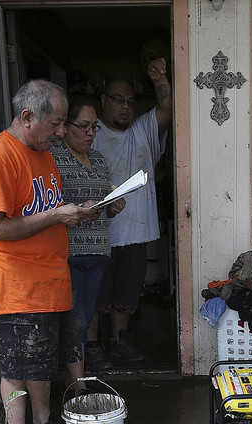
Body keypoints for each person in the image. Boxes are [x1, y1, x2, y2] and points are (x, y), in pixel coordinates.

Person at [0, 79, 96, 424]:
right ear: (28, 117)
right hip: (19, 285)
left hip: (52, 280)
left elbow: (43, 209)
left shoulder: (41, 153)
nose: (62, 132)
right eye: (57, 123)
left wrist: (78, 212)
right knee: (16, 368)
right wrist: (57, 216)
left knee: (41, 363)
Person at [89, 57, 172, 365]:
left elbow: (166, 108)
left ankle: (120, 340)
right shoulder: (89, 132)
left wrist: (160, 80)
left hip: (136, 230)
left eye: (130, 102)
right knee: (97, 293)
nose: (125, 107)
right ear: (103, 101)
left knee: (127, 292)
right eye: (118, 100)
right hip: (98, 232)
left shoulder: (142, 130)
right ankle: (93, 346)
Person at [50, 94, 126, 388]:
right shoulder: (53, 157)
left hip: (97, 251)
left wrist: (112, 206)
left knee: (84, 317)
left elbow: (103, 206)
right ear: (65, 126)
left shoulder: (98, 159)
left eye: (95, 127)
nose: (90, 134)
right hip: (68, 252)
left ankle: (77, 382)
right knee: (74, 321)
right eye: (83, 126)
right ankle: (77, 386)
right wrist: (80, 210)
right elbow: (48, 205)